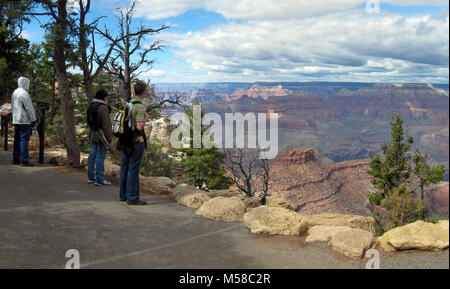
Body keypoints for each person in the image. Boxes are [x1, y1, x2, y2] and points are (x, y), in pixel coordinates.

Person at [119, 82, 148, 205]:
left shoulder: (128, 104)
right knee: (133, 170)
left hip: (125, 141)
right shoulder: (140, 107)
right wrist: (145, 120)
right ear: (144, 92)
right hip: (136, 142)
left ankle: (123, 195)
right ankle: (133, 197)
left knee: (125, 168)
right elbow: (140, 126)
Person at [87, 89, 113, 186]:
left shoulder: (92, 106)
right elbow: (106, 125)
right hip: (101, 136)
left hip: (93, 133)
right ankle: (100, 179)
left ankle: (91, 177)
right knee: (100, 156)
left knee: (92, 154)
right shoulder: (103, 108)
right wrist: (109, 139)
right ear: (104, 98)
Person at [11, 77, 37, 167]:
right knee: (24, 140)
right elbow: (29, 108)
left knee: (17, 139)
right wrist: (33, 120)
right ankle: (24, 160)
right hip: (24, 120)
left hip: (16, 119)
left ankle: (16, 158)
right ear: (25, 83)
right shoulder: (24, 93)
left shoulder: (15, 92)